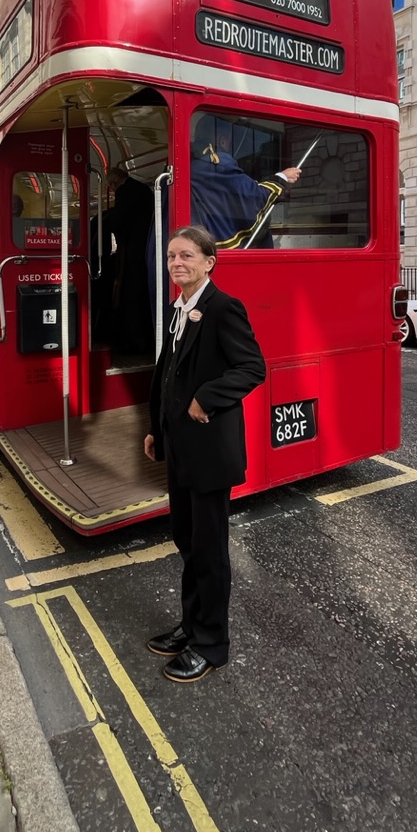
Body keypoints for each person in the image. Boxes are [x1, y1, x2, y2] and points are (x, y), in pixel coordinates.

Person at [143, 225, 265, 684]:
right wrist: (156, 428)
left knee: (210, 552)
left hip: (210, 453)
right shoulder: (180, 309)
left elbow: (253, 367)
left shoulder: (222, 308)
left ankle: (211, 645)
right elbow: (167, 373)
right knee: (187, 541)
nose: (177, 262)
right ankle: (191, 627)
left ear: (209, 262)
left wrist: (206, 397)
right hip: (179, 448)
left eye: (187, 256)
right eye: (173, 256)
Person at [190, 115, 301, 248]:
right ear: (223, 141)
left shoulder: (189, 164)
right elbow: (252, 196)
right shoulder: (216, 164)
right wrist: (282, 179)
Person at [103, 166, 154, 353]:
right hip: (148, 247)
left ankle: (136, 342)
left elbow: (119, 222)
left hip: (132, 250)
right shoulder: (143, 188)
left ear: (114, 183)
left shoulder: (125, 192)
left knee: (131, 295)